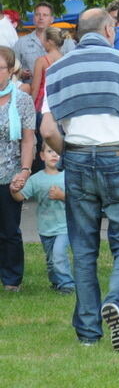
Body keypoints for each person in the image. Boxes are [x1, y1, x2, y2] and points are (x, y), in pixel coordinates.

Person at [40, 8, 119, 350]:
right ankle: (117, 302)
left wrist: (67, 152)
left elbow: (47, 129)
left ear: (80, 33)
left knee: (83, 246)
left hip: (78, 156)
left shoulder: (56, 70)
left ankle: (88, 332)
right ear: (110, 30)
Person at [10, 141, 74, 293]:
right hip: (46, 228)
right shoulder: (36, 179)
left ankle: (67, 285)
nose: (54, 155)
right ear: (42, 156)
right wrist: (14, 190)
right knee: (51, 260)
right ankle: (56, 282)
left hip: (65, 226)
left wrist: (62, 196)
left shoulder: (68, 177)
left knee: (59, 254)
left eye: (58, 152)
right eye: (50, 151)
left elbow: (79, 200)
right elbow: (20, 197)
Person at [0, 46, 35, 292]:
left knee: (8, 230)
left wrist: (24, 170)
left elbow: (28, 139)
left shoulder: (21, 100)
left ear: (10, 69)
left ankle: (11, 279)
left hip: (9, 173)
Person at [14, 2, 76, 84]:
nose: (41, 18)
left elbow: (74, 65)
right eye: (37, 14)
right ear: (33, 18)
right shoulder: (21, 42)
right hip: (32, 91)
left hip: (60, 90)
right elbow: (12, 68)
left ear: (52, 19)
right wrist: (20, 73)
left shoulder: (66, 40)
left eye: (45, 15)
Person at [30, 27, 68, 112]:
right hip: (61, 103)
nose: (42, 43)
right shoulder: (66, 59)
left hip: (42, 103)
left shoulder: (41, 61)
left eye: (43, 40)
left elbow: (35, 88)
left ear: (49, 42)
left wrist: (30, 108)